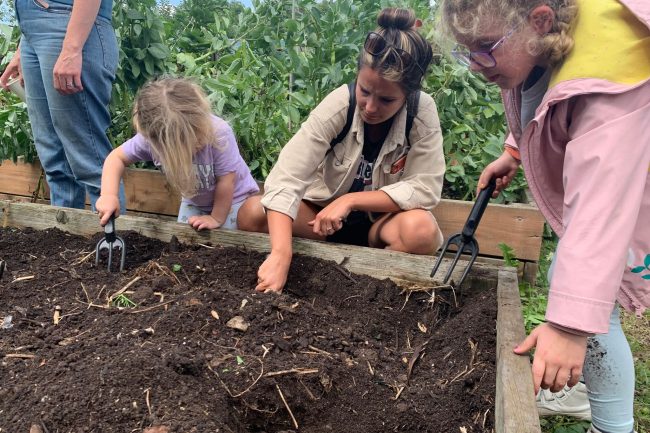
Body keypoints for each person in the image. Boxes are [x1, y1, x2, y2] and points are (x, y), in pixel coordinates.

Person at [439, 1, 649, 432]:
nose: (477, 65)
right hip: (620, 182)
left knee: (596, 306)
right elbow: (543, 91)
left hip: (628, 189)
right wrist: (513, 149)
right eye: (466, 53)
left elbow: (600, 204)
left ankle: (611, 427)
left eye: (484, 48)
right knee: (568, 277)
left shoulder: (609, 84)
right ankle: (583, 394)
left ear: (539, 21)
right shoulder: (537, 44)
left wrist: (569, 327)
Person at [237, 7, 446, 294]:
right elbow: (286, 178)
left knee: (421, 231)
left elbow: (425, 188)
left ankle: (369, 287)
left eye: (386, 99)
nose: (371, 107)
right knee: (251, 213)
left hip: (379, 228)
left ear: (407, 95)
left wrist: (351, 200)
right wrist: (281, 254)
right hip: (320, 222)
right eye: (364, 91)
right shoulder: (339, 104)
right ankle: (310, 262)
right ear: (358, 78)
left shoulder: (421, 112)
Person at [0, 0, 125, 210]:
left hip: (68, 21)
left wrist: (72, 48)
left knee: (89, 155)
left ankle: (111, 239)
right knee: (54, 157)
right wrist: (24, 47)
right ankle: (64, 236)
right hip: (33, 32)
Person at [96, 77, 259, 230]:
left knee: (230, 245)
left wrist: (216, 219)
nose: (200, 141)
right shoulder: (151, 140)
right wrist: (108, 195)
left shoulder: (219, 133)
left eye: (200, 134)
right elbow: (115, 159)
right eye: (193, 140)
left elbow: (226, 181)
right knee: (183, 243)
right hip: (194, 203)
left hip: (233, 200)